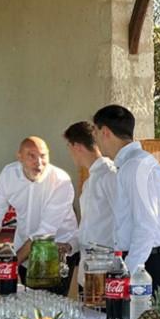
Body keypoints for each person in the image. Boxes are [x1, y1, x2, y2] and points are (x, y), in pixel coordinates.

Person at [91, 105, 160, 288]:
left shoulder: (135, 165)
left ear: (105, 132)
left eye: (95, 132)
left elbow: (145, 226)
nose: (95, 141)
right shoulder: (132, 164)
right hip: (145, 261)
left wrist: (126, 276)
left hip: (149, 266)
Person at [0, 137, 78, 271]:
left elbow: (44, 232)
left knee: (49, 293)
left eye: (43, 156)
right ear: (19, 157)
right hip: (23, 250)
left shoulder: (61, 181)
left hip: (57, 251)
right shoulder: (9, 174)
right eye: (31, 156)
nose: (38, 163)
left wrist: (10, 265)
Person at [62, 121, 118, 286]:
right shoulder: (89, 182)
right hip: (88, 269)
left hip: (106, 269)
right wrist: (70, 245)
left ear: (77, 146)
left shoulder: (110, 175)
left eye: (69, 146)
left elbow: (124, 220)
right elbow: (89, 225)